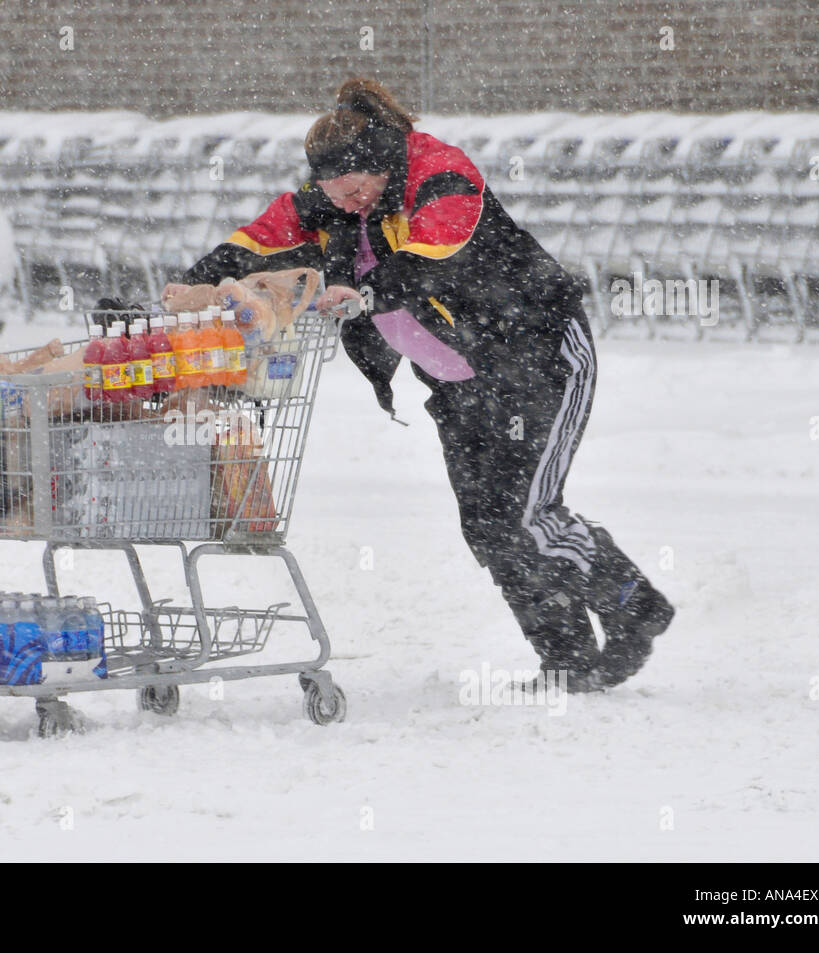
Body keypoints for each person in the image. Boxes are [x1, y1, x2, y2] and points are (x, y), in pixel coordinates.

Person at [169, 77, 674, 691]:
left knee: (529, 515)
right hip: (459, 382)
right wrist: (188, 289)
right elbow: (256, 241)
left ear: (380, 164)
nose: (349, 205)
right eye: (335, 195)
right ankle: (566, 661)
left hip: (539, 359)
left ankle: (634, 604)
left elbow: (439, 252)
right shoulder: (335, 196)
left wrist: (369, 290)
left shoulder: (440, 172)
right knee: (488, 528)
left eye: (357, 191)